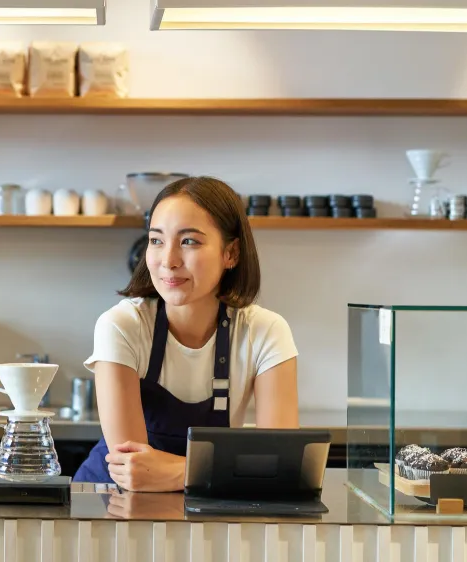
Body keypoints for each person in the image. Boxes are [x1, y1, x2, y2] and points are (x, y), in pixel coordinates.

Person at [73, 176, 299, 492]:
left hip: (208, 511)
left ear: (231, 253)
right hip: (108, 509)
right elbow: (134, 470)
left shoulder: (265, 332)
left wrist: (179, 471)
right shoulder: (122, 325)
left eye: (189, 241)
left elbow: (281, 464)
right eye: (156, 240)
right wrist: (232, 469)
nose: (168, 261)